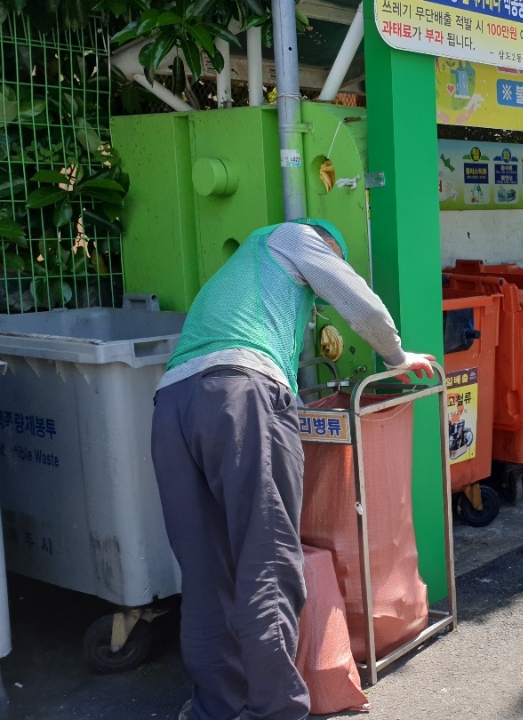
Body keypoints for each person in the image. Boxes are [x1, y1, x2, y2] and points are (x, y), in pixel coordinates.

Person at [151, 218, 435, 720]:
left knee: (204, 572)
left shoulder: (236, 275)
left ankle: (215, 709)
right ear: (326, 245)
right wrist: (396, 354)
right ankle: (277, 712)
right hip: (241, 395)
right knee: (267, 563)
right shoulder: (294, 237)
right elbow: (360, 304)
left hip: (173, 405)